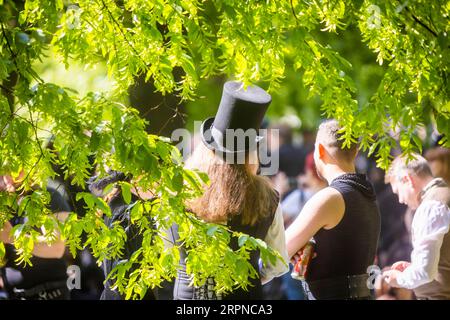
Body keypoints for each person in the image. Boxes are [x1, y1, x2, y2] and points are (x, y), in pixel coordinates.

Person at [172, 81, 289, 300]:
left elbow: (166, 247)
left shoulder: (180, 189)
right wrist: (251, 276)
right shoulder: (268, 197)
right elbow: (277, 263)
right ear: (251, 151)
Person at [285, 119, 381, 300]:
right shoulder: (368, 195)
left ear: (320, 150)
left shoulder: (330, 197)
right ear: (356, 151)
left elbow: (279, 251)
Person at [383, 154, 450, 300]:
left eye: (398, 192)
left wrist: (399, 279)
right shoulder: (443, 197)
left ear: (407, 179)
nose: (400, 200)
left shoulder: (431, 206)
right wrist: (412, 267)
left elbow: (425, 272)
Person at [0, 173, 70, 300]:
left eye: (13, 168)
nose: (5, 177)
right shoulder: (4, 206)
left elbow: (56, 248)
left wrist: (12, 237)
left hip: (51, 294)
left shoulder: (47, 196)